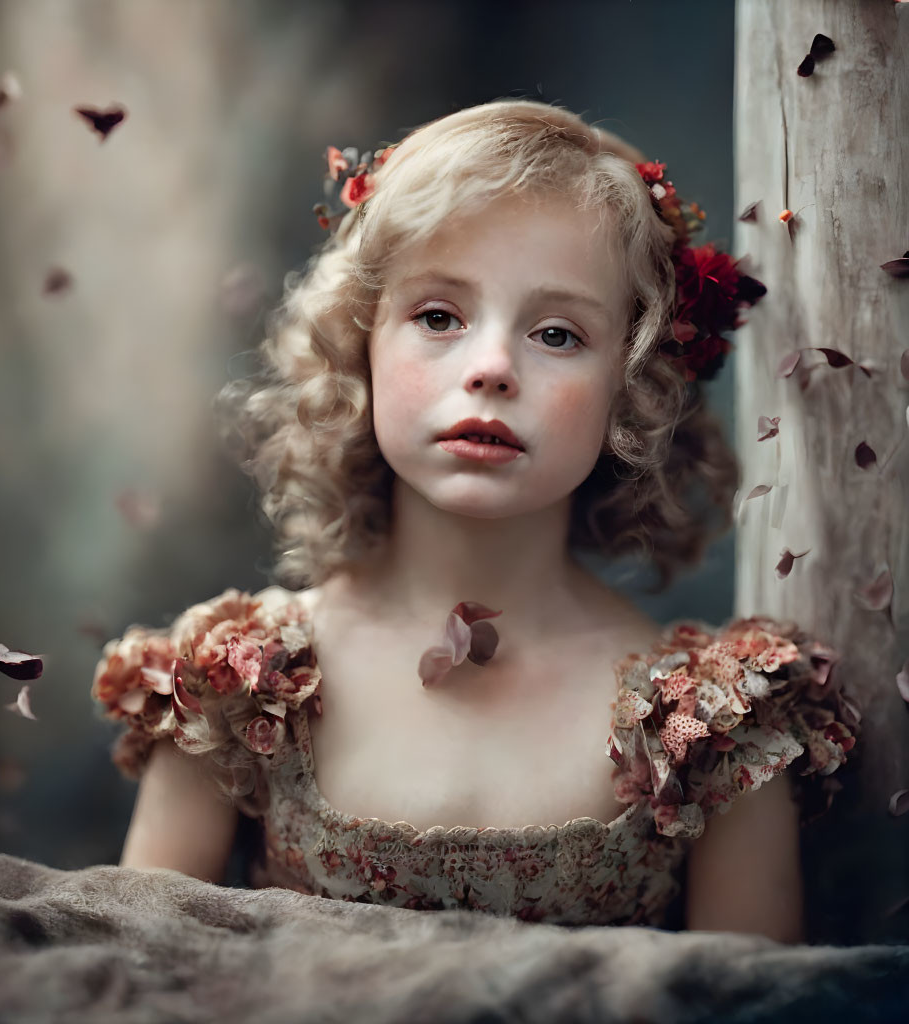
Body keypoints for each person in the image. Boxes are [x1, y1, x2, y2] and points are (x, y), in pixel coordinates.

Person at [91, 99, 859, 941]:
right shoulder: (235, 686)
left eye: (558, 334)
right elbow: (137, 973)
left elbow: (752, 1001)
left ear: (631, 388)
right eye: (439, 317)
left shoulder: (711, 726)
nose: (491, 367)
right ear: (361, 348)